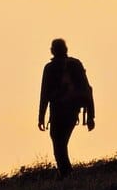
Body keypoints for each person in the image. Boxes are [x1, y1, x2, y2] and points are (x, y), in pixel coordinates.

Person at [38, 38, 95, 178]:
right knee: (61, 143)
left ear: (52, 50)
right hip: (72, 112)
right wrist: (91, 116)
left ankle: (66, 174)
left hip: (59, 112)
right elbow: (87, 90)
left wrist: (41, 117)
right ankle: (66, 174)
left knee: (58, 143)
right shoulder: (76, 64)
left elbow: (44, 94)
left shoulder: (50, 68)